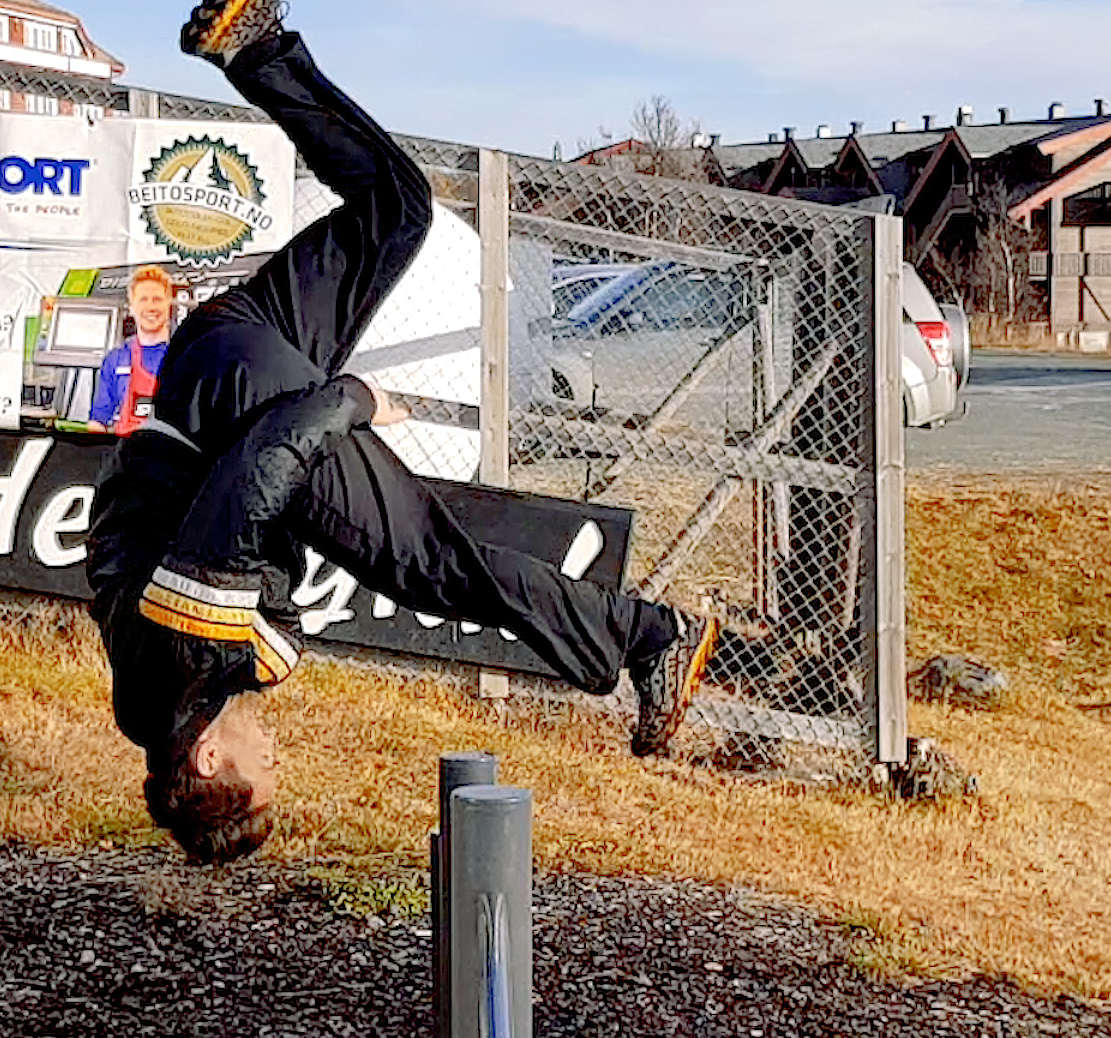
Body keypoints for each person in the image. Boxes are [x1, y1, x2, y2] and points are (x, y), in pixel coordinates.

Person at [86, 0, 721, 864]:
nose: (276, 754)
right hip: (216, 362)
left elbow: (259, 472)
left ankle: (649, 635)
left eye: (260, 767)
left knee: (437, 569)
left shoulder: (188, 657)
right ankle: (258, 49)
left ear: (206, 757)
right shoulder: (156, 693)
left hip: (241, 413)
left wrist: (347, 402)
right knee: (397, 208)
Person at [86, 264, 177, 436]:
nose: (150, 307)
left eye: (157, 299)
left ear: (169, 304)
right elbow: (97, 422)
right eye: (143, 299)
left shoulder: (188, 356)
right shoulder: (116, 360)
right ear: (131, 307)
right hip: (126, 456)